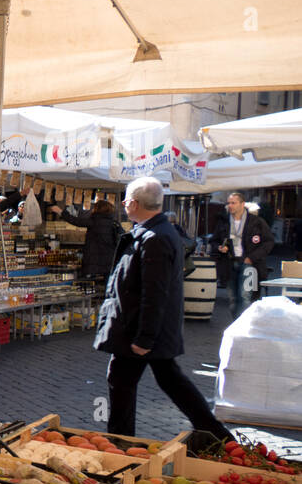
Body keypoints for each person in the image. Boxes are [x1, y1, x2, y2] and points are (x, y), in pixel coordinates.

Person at [96, 177, 235, 439]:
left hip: (140, 330)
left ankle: (121, 440)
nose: (124, 204)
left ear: (134, 203)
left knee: (134, 381)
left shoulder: (155, 238)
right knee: (165, 380)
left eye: (125, 199)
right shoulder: (153, 232)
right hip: (141, 327)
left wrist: (145, 337)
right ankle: (216, 434)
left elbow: (155, 292)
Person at [210, 191, 275, 317]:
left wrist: (252, 257)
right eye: (229, 203)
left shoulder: (256, 222)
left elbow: (269, 241)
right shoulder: (224, 222)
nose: (230, 206)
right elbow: (213, 241)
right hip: (229, 264)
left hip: (249, 264)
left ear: (242, 204)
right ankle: (237, 326)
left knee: (245, 297)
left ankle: (243, 330)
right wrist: (218, 247)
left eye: (233, 203)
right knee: (233, 299)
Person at [51, 198, 124, 283]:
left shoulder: (93, 221)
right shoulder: (115, 223)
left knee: (92, 285)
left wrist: (60, 211)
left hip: (94, 261)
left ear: (97, 209)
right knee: (108, 285)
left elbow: (75, 221)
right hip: (110, 260)